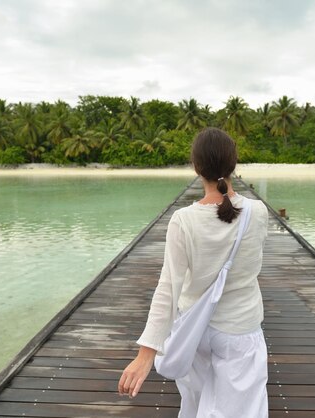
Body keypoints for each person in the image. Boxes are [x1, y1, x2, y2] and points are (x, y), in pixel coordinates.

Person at [118, 127, 269, 417]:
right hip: (240, 330)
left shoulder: (183, 220)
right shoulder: (257, 212)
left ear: (196, 167)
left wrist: (146, 352)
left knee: (196, 406)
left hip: (194, 333)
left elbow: (168, 288)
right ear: (233, 164)